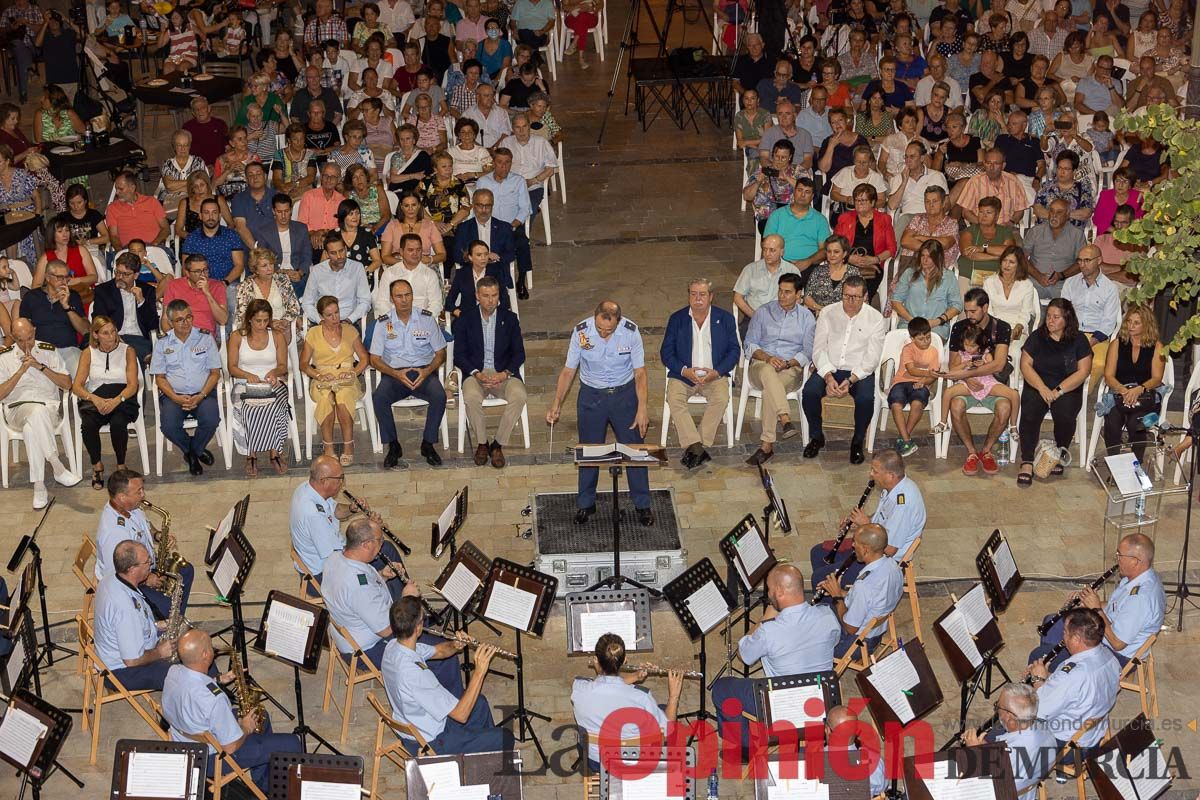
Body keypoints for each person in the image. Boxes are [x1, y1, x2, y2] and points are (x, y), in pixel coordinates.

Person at [547, 301, 653, 526]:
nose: (604, 334)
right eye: (600, 329)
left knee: (634, 450)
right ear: (594, 319)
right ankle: (586, 503)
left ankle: (642, 504)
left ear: (619, 321)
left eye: (609, 330)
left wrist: (642, 408)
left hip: (624, 396)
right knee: (589, 450)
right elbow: (568, 370)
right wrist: (556, 403)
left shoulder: (630, 333)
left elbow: (640, 373)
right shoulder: (581, 332)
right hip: (591, 397)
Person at [710, 564, 840, 746]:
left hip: (785, 709)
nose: (768, 594)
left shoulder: (769, 631)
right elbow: (833, 642)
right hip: (822, 704)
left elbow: (744, 655)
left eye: (769, 589)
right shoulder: (827, 615)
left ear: (779, 592)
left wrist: (764, 619)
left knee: (722, 689)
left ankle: (745, 748)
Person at [162, 629, 302, 794]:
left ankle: (263, 781)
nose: (214, 649)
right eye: (211, 647)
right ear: (206, 654)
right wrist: (245, 728)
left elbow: (192, 686)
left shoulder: (173, 672)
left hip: (183, 740)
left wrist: (220, 679)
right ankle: (273, 790)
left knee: (261, 716)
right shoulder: (215, 700)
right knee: (292, 743)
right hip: (211, 758)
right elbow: (230, 747)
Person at [384, 595, 513, 754]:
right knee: (505, 737)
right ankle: (477, 756)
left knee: (479, 703)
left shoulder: (393, 647)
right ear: (418, 628)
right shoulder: (417, 675)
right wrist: (479, 672)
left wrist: (455, 645)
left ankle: (480, 753)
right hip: (433, 741)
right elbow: (461, 715)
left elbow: (438, 651)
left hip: (417, 722)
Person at [1032, 533, 1164, 673]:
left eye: (1120, 555)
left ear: (1135, 561)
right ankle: (1055, 665)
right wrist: (1088, 604)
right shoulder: (1138, 577)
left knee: (1038, 655)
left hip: (1116, 656)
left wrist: (1095, 609)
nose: (1117, 559)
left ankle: (1054, 673)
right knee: (1052, 623)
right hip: (1106, 632)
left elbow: (1117, 643)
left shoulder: (1140, 598)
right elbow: (1117, 606)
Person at [811, 450, 926, 587]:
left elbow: (890, 549)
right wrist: (857, 524)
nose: (871, 474)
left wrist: (864, 525)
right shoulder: (892, 487)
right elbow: (882, 518)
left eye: (875, 471)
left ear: (890, 475)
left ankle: (838, 604)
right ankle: (832, 595)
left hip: (883, 561)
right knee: (818, 553)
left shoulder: (903, 504)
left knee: (819, 577)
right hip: (872, 545)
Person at [802, 276, 885, 464]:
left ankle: (857, 441)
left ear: (865, 296)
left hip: (858, 371)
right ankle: (816, 436)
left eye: (856, 297)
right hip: (829, 367)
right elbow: (819, 348)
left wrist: (852, 380)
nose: (850, 301)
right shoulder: (828, 313)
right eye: (846, 296)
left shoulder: (876, 319)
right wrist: (828, 376)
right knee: (809, 392)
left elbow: (872, 358)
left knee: (865, 399)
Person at [0, 318, 81, 507]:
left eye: (29, 337)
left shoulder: (48, 351)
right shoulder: (3, 357)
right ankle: (57, 466)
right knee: (36, 412)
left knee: (32, 428)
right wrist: (21, 371)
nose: (26, 343)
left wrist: (40, 367)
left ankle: (39, 486)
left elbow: (67, 384)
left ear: (34, 331)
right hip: (16, 410)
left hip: (49, 409)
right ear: (12, 337)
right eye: (20, 340)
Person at [572, 633, 683, 770]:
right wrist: (674, 696)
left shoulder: (578, 689)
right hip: (634, 760)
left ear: (596, 660)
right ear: (625, 660)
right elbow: (667, 732)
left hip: (597, 761)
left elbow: (606, 686)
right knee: (662, 710)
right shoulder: (642, 697)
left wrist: (636, 676)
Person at [1024, 607, 1120, 764]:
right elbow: (1074, 691)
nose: (1063, 636)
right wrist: (1048, 677)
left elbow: (1040, 711)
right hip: (1093, 735)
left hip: (1067, 747)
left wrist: (1037, 679)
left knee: (1003, 727)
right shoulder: (1110, 658)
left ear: (1075, 639)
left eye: (1065, 632)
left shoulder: (1074, 674)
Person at [94, 468, 194, 618]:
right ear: (122, 497)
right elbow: (117, 575)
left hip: (145, 564)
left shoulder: (132, 507)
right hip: (129, 582)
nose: (143, 495)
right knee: (167, 607)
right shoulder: (114, 534)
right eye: (138, 491)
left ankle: (175, 619)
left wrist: (158, 535)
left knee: (186, 570)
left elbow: (146, 525)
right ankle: (165, 624)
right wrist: (147, 579)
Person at [660, 278, 739, 470]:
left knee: (721, 398)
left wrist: (717, 372)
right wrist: (683, 370)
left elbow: (734, 351)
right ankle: (696, 446)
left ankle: (696, 445)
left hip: (714, 375)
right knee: (674, 398)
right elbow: (666, 352)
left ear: (710, 297)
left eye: (702, 294)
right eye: (693, 294)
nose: (697, 298)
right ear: (688, 296)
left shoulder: (725, 318)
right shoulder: (677, 319)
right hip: (684, 375)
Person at [370, 279, 447, 468]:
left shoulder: (427, 319)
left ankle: (427, 444)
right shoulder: (383, 323)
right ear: (391, 299)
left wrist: (427, 371)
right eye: (399, 296)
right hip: (395, 374)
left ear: (413, 296)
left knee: (439, 396)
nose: (404, 300)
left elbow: (441, 353)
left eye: (408, 295)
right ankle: (394, 445)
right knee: (379, 397)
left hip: (424, 371)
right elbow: (374, 359)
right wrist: (397, 374)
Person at [938, 287, 1015, 475]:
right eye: (967, 311)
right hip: (966, 384)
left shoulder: (1002, 327)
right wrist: (967, 376)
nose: (969, 315)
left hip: (990, 383)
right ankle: (972, 452)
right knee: (955, 406)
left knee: (1005, 408)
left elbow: (998, 365)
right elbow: (954, 363)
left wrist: (968, 373)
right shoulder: (959, 327)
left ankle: (987, 450)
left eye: (973, 311)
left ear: (985, 307)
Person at [743, 274, 817, 466]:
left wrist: (789, 363)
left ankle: (766, 445)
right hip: (760, 365)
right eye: (780, 291)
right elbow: (749, 344)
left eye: (787, 292)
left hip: (789, 369)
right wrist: (767, 358)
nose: (782, 296)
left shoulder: (806, 317)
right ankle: (784, 418)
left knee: (771, 389)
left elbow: (808, 351)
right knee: (768, 372)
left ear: (798, 294)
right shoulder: (763, 312)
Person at [1016, 298, 1091, 486]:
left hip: (1067, 387)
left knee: (1065, 414)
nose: (1050, 321)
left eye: (1056, 317)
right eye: (1048, 316)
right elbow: (1025, 364)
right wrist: (1041, 388)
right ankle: (1026, 460)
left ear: (1067, 319)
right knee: (1030, 410)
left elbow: (1083, 371)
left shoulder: (1079, 340)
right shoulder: (1037, 337)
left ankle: (1059, 451)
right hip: (1038, 383)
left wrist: (1058, 391)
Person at [452, 277, 526, 468]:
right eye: (486, 296)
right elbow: (459, 355)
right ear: (477, 296)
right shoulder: (465, 320)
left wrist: (505, 374)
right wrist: (477, 374)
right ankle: (482, 443)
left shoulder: (509, 319)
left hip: (503, 373)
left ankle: (497, 444)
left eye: (494, 295)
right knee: (470, 396)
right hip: (476, 373)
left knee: (519, 395)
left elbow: (519, 353)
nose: (491, 300)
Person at [149, 300, 223, 476]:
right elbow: (159, 378)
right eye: (180, 319)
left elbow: (215, 373)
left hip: (203, 393)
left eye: (189, 317)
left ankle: (193, 452)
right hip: (173, 396)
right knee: (168, 426)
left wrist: (201, 395)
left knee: (211, 419)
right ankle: (193, 450)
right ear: (170, 322)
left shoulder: (205, 338)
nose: (186, 322)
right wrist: (175, 397)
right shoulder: (162, 343)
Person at [93, 539, 178, 692]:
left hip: (126, 652)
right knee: (184, 673)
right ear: (132, 569)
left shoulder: (112, 577)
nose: (151, 565)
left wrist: (157, 625)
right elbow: (132, 660)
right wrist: (159, 652)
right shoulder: (124, 607)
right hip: (121, 672)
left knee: (188, 644)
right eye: (147, 562)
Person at [73, 316, 142, 490]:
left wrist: (116, 401)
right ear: (95, 335)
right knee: (88, 424)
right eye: (105, 333)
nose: (111, 336)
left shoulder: (128, 350)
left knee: (118, 423)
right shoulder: (88, 353)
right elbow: (77, 386)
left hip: (122, 399)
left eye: (113, 331)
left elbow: (133, 385)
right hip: (97, 399)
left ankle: (120, 465)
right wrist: (94, 399)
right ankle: (97, 465)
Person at [819, 525, 905, 659]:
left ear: (865, 549)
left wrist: (837, 597)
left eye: (856, 543)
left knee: (807, 638)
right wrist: (839, 591)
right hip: (875, 632)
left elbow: (850, 628)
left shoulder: (864, 585)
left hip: (854, 643)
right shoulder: (894, 567)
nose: (853, 545)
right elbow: (871, 600)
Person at [228, 299, 291, 476]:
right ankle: (251, 454)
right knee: (247, 409)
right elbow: (232, 367)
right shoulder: (237, 336)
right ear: (249, 319)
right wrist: (248, 376)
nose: (262, 325)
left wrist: (273, 372)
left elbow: (283, 366)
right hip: (244, 383)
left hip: (272, 382)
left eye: (265, 320)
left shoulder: (277, 336)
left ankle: (274, 452)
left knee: (274, 406)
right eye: (258, 321)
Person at [959, 683, 1056, 799]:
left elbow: (985, 786)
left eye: (997, 707)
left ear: (1009, 717)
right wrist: (983, 747)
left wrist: (974, 753)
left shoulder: (1009, 758)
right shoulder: (1047, 733)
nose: (996, 710)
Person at [1098, 304, 1166, 459]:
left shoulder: (1156, 346)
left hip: (1145, 396)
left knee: (1136, 424)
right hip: (1120, 393)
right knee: (1112, 421)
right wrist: (1123, 391)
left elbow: (1156, 378)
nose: (1131, 326)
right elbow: (1108, 375)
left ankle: (1136, 464)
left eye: (1136, 322)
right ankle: (1116, 463)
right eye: (1129, 321)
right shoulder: (1117, 343)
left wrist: (1138, 390)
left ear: (1146, 324)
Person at [475, 149, 532, 297]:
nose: (504, 166)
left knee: (523, 243)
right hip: (489, 226)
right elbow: (477, 206)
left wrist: (512, 225)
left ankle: (521, 280)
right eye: (500, 162)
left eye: (507, 163)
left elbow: (525, 208)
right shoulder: (483, 182)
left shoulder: (518, 181)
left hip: (512, 226)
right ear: (494, 163)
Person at [1061, 244, 1120, 381]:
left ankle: (1082, 395)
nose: (1082, 265)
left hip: (1097, 337)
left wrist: (1090, 342)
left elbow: (1108, 322)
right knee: (1059, 359)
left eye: (1087, 260)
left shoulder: (1110, 288)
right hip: (1072, 333)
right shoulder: (1070, 283)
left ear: (1099, 260)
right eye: (1080, 260)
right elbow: (1063, 312)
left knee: (1098, 363)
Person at [18, 259, 87, 375]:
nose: (65, 281)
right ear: (47, 278)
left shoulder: (73, 296)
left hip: (68, 350)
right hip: (40, 351)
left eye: (67, 277)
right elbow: (24, 330)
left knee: (82, 376)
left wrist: (66, 306)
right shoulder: (31, 297)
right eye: (60, 277)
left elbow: (85, 330)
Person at [886, 317, 940, 456]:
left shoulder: (933, 351)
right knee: (896, 404)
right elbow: (911, 370)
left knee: (918, 403)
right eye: (921, 339)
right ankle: (906, 439)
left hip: (922, 383)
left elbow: (934, 376)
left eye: (928, 337)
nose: (926, 341)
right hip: (901, 382)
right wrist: (928, 372)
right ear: (912, 338)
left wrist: (925, 381)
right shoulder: (907, 349)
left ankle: (904, 439)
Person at [834, 183, 896, 299]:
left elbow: (891, 248)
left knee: (863, 290)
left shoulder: (884, 219)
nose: (859, 204)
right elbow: (835, 245)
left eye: (863, 200)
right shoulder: (845, 218)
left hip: (873, 264)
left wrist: (874, 259)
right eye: (857, 200)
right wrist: (848, 258)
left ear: (872, 202)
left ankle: (861, 308)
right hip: (848, 262)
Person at [93, 252, 157, 365]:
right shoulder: (103, 290)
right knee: (136, 355)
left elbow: (153, 325)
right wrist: (113, 336)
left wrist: (142, 302)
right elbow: (98, 319)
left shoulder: (147, 291)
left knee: (136, 354)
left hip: (139, 338)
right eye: (117, 272)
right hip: (113, 337)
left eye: (125, 274)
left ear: (136, 275)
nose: (120, 277)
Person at [891, 240, 962, 340]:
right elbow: (896, 300)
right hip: (909, 325)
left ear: (937, 258)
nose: (925, 260)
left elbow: (957, 306)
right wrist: (912, 320)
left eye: (929, 257)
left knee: (926, 348)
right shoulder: (909, 273)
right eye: (922, 255)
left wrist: (938, 320)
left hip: (936, 328)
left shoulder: (948, 277)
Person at [302, 233, 372, 326]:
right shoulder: (317, 271)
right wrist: (320, 321)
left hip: (349, 321)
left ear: (346, 249)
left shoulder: (357, 268)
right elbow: (307, 303)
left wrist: (350, 319)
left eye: (341, 251)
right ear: (326, 254)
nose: (339, 256)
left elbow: (365, 301)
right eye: (333, 253)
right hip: (323, 322)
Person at [1023, 199, 1087, 299]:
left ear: (1067, 214)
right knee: (1025, 299)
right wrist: (1038, 276)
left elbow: (1082, 263)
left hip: (1063, 284)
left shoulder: (1077, 235)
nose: (1054, 215)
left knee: (1067, 308)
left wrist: (1061, 275)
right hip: (1035, 281)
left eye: (1059, 212)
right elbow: (1022, 257)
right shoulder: (1035, 231)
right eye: (1051, 211)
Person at [372, 234, 444, 322]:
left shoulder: (429, 274)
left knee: (446, 336)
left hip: (421, 322)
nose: (415, 253)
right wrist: (393, 320)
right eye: (410, 250)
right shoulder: (390, 273)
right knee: (371, 333)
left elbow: (436, 304)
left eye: (418, 250)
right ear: (401, 252)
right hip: (394, 322)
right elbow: (382, 302)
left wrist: (422, 320)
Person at [762, 178, 830, 271]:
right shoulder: (777, 215)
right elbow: (767, 244)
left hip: (810, 267)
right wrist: (783, 263)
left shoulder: (820, 220)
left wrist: (808, 261)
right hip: (779, 265)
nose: (802, 195)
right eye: (799, 190)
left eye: (807, 192)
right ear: (794, 192)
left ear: (812, 196)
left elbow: (825, 250)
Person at [954, 149, 1031, 226]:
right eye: (988, 163)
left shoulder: (1013, 181)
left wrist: (1011, 222)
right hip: (981, 228)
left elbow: (1020, 210)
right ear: (984, 163)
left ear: (1003, 165)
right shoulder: (975, 182)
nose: (992, 167)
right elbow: (965, 212)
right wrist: (983, 224)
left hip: (1006, 228)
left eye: (996, 163)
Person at [259, 194, 314, 297]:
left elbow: (306, 256)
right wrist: (280, 272)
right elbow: (263, 259)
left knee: (298, 285)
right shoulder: (264, 232)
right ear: (273, 211)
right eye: (279, 212)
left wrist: (300, 273)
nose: (283, 216)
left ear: (291, 210)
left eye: (286, 211)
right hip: (274, 274)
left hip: (297, 273)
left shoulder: (301, 229)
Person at [451, 189, 516, 271]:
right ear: (473, 206)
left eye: (488, 206)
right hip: (472, 270)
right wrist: (479, 258)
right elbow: (457, 255)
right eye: (480, 205)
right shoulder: (463, 228)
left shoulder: (504, 227)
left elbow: (511, 254)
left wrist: (496, 258)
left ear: (492, 206)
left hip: (497, 270)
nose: (484, 210)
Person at [106, 171, 170, 250]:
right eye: (116, 189)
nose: (117, 192)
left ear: (132, 188)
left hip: (153, 247)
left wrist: (154, 245)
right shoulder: (112, 208)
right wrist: (121, 252)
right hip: (129, 250)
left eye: (121, 189)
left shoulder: (151, 202)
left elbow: (165, 228)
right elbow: (113, 236)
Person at [1033, 151, 1094, 227]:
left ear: (1074, 171)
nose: (1062, 172)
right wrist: (1059, 216)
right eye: (1059, 168)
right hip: (1046, 231)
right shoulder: (1046, 186)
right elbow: (1037, 209)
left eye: (1066, 169)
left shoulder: (1083, 188)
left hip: (1071, 233)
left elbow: (1086, 213)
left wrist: (1061, 215)